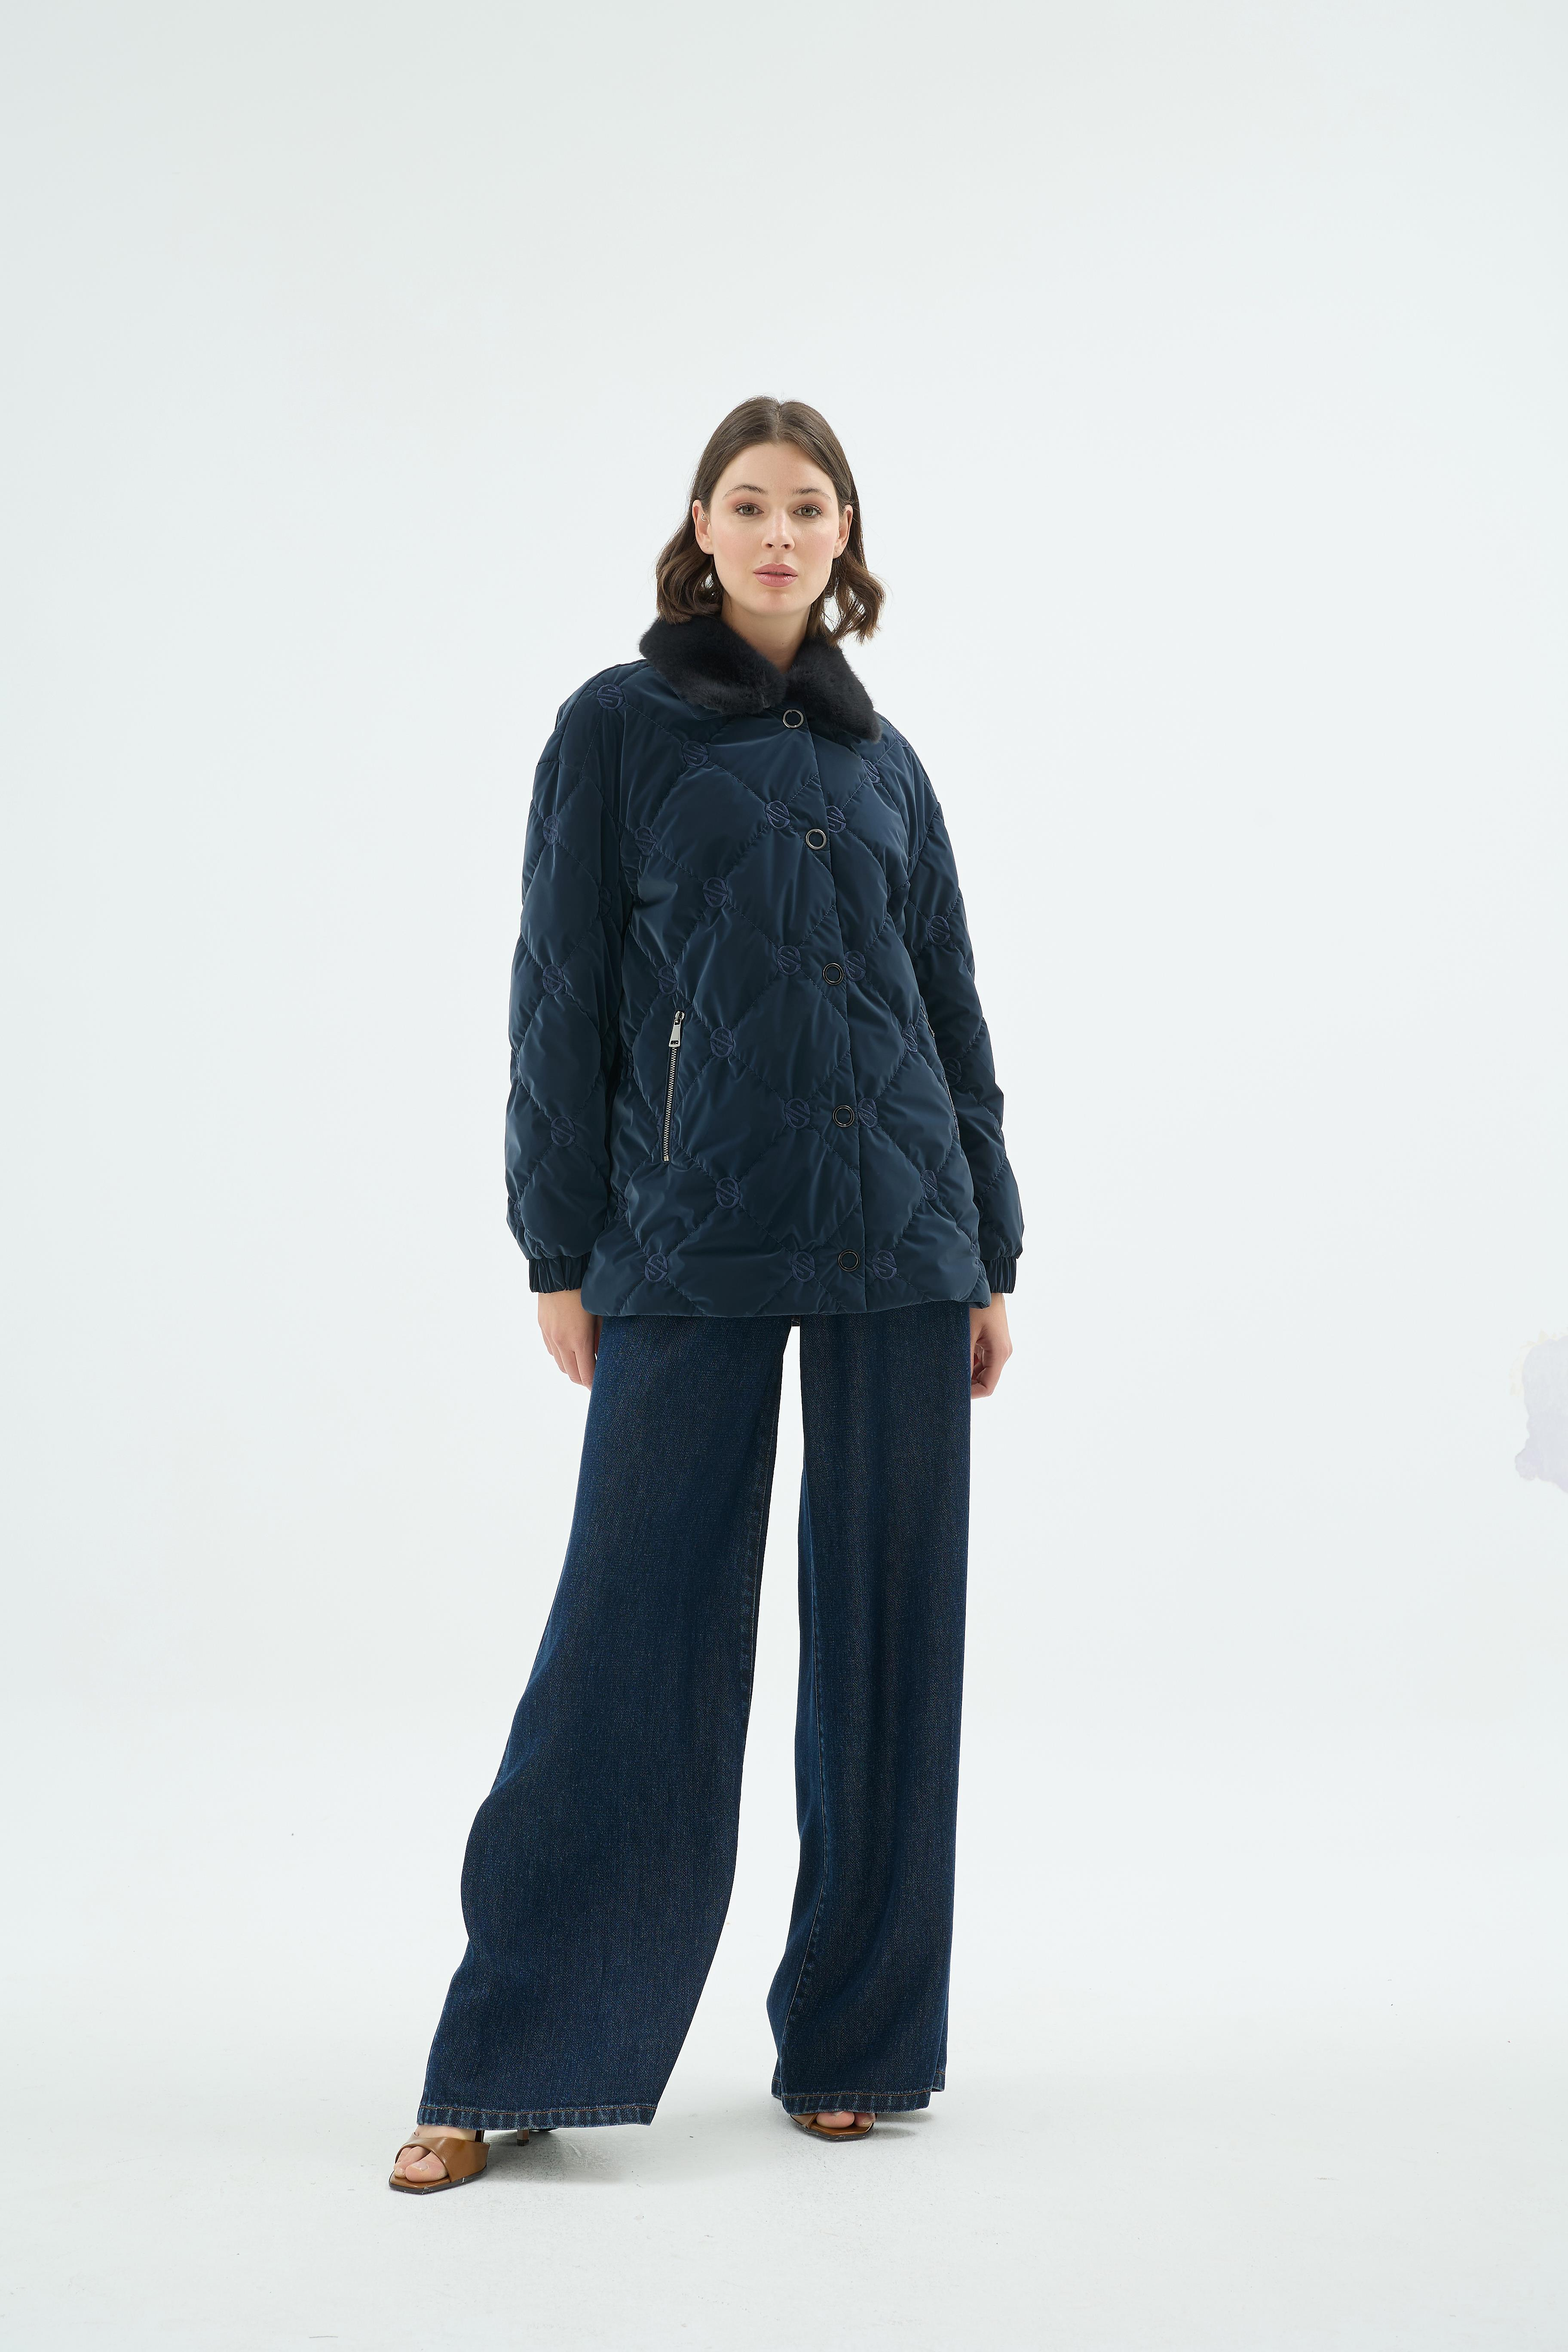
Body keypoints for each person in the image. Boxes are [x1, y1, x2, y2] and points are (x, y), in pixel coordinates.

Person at [390, 395, 1024, 2191]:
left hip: (904, 1235)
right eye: (748, 503)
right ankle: (517, 2056)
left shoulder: (886, 763)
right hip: (685, 1232)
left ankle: (859, 2043)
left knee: (891, 1640)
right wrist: (558, 1244)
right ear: (700, 528)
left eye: (808, 506)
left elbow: (949, 1007)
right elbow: (560, 993)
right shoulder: (618, 725)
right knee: (633, 1634)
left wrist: (988, 1243)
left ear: (845, 538)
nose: (778, 531)